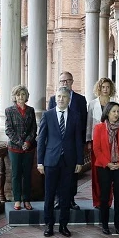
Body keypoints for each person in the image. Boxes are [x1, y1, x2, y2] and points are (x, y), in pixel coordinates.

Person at [37, 87, 84, 237]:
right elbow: (41, 140)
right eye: (58, 96)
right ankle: (49, 225)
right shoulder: (48, 115)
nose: (61, 99)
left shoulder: (76, 116)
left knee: (65, 195)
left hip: (68, 162)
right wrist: (40, 162)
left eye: (64, 96)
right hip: (51, 161)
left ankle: (63, 225)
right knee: (49, 195)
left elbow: (78, 140)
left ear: (69, 99)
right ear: (55, 98)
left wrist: (79, 161)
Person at [48, 71, 87, 210]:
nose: (65, 83)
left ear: (72, 81)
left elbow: (84, 122)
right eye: (62, 81)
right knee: (58, 173)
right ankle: (59, 200)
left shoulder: (81, 100)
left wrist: (81, 143)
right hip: (57, 145)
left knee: (72, 174)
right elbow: (50, 122)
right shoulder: (53, 99)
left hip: (73, 143)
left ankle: (71, 199)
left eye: (67, 81)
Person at [92, 101, 119, 235]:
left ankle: (118, 224)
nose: (116, 114)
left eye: (118, 112)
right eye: (113, 111)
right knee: (104, 197)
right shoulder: (99, 128)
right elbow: (97, 149)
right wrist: (107, 163)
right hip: (104, 166)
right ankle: (104, 225)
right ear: (107, 113)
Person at [4, 85, 37, 211]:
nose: (20, 97)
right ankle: (17, 199)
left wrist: (28, 142)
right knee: (16, 174)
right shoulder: (9, 111)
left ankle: (27, 200)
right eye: (18, 95)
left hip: (29, 148)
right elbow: (8, 130)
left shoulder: (31, 110)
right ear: (15, 97)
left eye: (23, 94)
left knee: (27, 174)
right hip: (14, 148)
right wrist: (20, 142)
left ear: (26, 96)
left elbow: (34, 128)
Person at [86, 77, 116, 208]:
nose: (105, 89)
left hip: (111, 142)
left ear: (111, 89)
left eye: (108, 87)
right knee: (96, 172)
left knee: (109, 173)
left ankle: (108, 200)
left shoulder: (114, 103)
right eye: (103, 87)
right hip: (96, 141)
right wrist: (88, 140)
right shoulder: (92, 104)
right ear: (99, 88)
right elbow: (89, 123)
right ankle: (97, 201)